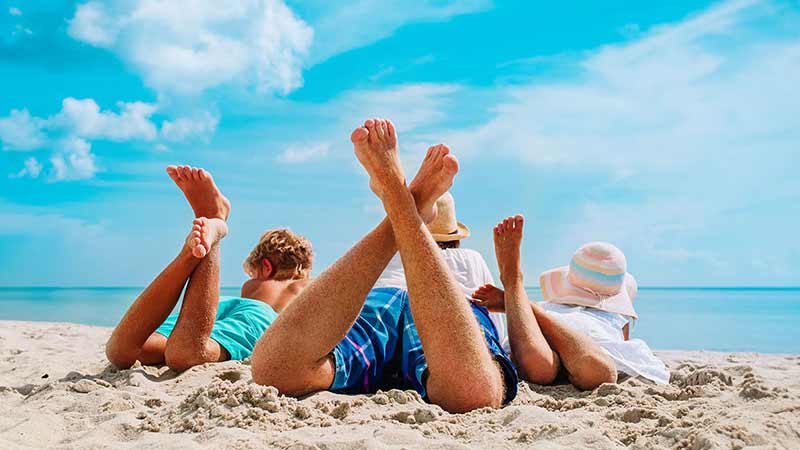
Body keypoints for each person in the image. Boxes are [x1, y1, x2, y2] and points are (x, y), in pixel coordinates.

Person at [251, 119, 517, 413]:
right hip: (445, 315)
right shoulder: (471, 259)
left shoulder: (382, 255)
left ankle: (398, 200)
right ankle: (401, 202)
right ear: (455, 239)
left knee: (276, 371)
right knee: (472, 392)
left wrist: (401, 214)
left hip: (382, 298)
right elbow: (497, 326)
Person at [105, 165, 313, 371]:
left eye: (252, 272)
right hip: (262, 318)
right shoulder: (302, 286)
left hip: (213, 308)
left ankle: (193, 250)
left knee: (122, 352)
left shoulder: (252, 290)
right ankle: (213, 230)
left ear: (265, 266)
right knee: (186, 354)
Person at [472, 217, 670, 387]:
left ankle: (514, 287)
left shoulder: (550, 307)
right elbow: (621, 342)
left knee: (543, 366)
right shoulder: (617, 316)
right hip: (588, 346)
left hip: (545, 332)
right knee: (602, 373)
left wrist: (519, 306)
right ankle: (516, 294)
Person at [374, 190, 509, 353]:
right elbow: (495, 321)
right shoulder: (469, 258)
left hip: (387, 317)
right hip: (454, 321)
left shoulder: (386, 258)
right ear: (455, 237)